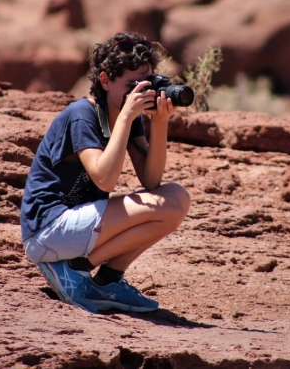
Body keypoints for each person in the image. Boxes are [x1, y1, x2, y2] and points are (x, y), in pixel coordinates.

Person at [20, 31, 191, 313]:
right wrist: (125, 117)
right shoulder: (82, 114)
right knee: (167, 204)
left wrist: (159, 123)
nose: (141, 91)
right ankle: (74, 269)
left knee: (176, 198)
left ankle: (106, 280)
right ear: (105, 80)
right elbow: (105, 178)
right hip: (48, 230)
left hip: (79, 226)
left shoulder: (129, 116)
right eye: (131, 84)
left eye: (145, 82)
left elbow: (151, 180)